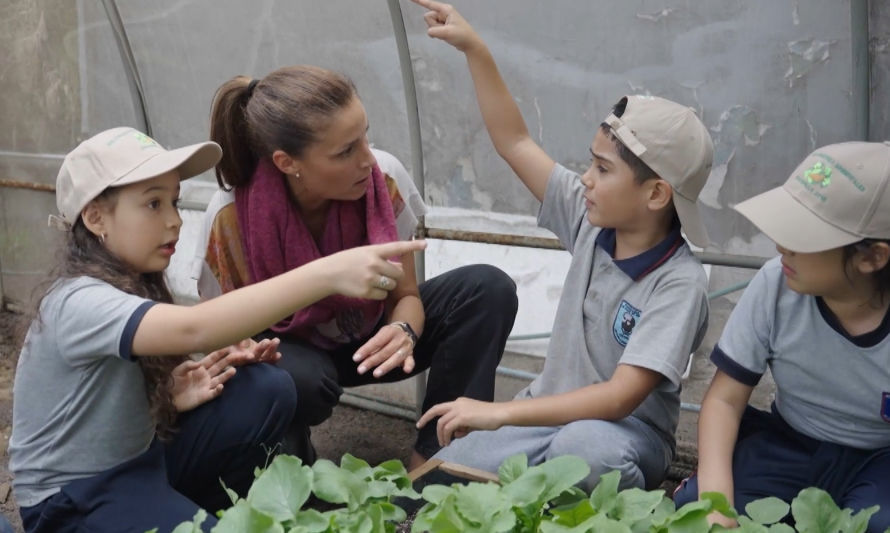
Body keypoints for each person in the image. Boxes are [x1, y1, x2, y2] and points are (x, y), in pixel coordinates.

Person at [8, 127, 426, 533]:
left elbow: (93, 398)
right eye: (153, 205)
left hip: (139, 463)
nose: (174, 221)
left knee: (265, 387)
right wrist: (327, 274)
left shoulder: (126, 281)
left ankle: (197, 513)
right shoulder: (77, 299)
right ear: (96, 216)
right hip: (73, 500)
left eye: (174, 202)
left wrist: (167, 397)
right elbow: (195, 329)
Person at [409, 0, 714, 491]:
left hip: (622, 433)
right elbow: (515, 141)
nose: (586, 180)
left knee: (584, 453)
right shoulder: (592, 221)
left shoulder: (679, 283)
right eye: (590, 165)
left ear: (656, 194)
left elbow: (618, 398)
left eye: (603, 169)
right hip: (544, 419)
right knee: (446, 472)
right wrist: (476, 50)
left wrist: (499, 412)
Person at [202, 64, 519, 470]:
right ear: (286, 162)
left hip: (371, 342)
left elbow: (405, 294)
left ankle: (436, 462)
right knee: (299, 380)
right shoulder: (229, 218)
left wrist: (403, 330)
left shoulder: (382, 179)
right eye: (345, 151)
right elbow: (222, 339)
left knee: (486, 290)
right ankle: (288, 464)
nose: (367, 159)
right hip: (293, 361)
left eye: (365, 136)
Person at [674, 142, 890, 532]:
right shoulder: (776, 283)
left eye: (803, 235)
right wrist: (717, 505)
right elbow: (724, 400)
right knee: (696, 507)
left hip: (880, 458)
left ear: (872, 257)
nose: (780, 246)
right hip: (791, 443)